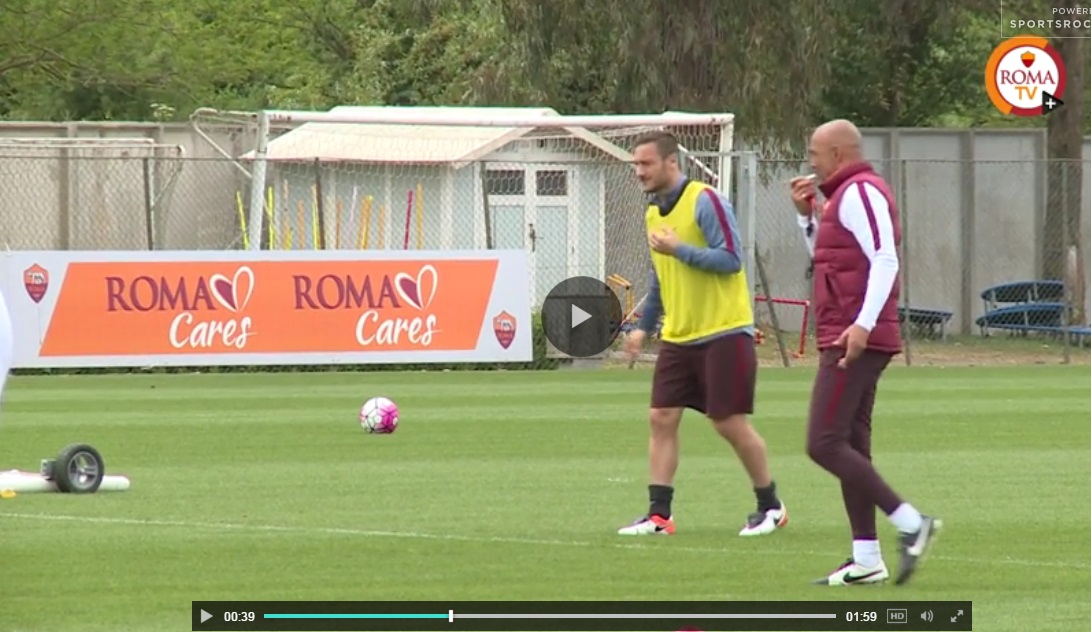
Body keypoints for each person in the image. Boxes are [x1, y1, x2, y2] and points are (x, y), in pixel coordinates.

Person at [789, 119, 941, 586]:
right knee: (851, 445)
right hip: (847, 330)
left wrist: (863, 324)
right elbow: (829, 260)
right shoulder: (840, 198)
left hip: (854, 336)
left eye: (815, 153)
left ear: (838, 153)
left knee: (823, 442)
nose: (810, 162)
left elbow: (885, 257)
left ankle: (912, 523)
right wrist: (806, 218)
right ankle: (867, 558)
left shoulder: (861, 192)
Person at [619, 130, 787, 538]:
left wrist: (680, 249)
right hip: (679, 336)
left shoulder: (705, 200)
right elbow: (660, 278)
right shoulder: (653, 214)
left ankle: (771, 506)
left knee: (728, 422)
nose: (639, 171)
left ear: (670, 162)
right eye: (636, 164)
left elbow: (730, 259)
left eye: (646, 163)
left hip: (724, 330)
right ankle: (659, 516)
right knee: (661, 417)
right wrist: (643, 329)